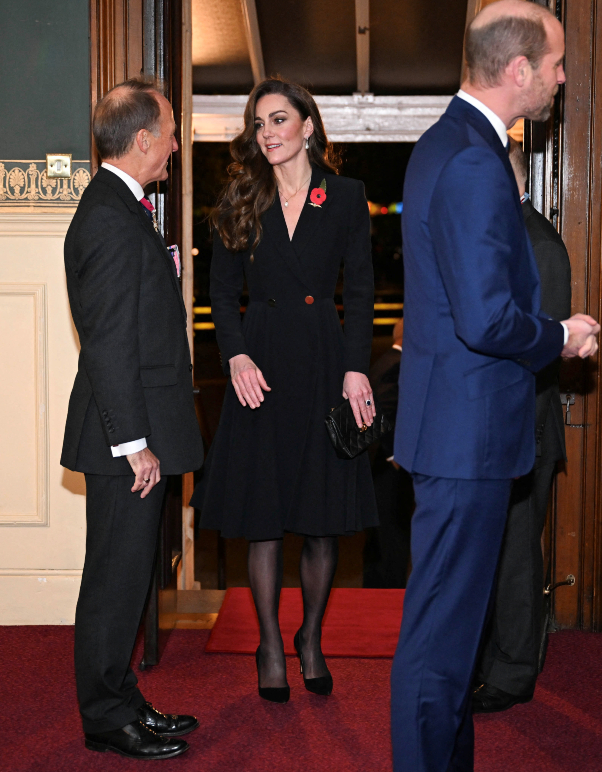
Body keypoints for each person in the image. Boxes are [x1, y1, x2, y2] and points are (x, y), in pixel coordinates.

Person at [390, 3, 600, 771]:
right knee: (442, 642)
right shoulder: (477, 160)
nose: (560, 77)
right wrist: (561, 337)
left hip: (452, 430)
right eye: (555, 64)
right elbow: (485, 320)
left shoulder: (445, 143)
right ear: (518, 71)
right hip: (467, 439)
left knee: (450, 631)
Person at [190, 78, 378, 703]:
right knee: (265, 519)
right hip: (261, 370)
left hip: (325, 362)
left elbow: (358, 292)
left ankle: (311, 637)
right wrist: (236, 353)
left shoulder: (345, 196)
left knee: (322, 522)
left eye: (278, 119)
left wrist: (356, 367)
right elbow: (219, 292)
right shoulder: (242, 194)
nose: (267, 133)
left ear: (307, 125)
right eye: (258, 123)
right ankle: (270, 644)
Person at [61, 79, 204, 760]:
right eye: (171, 132)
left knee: (126, 573)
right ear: (143, 138)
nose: (176, 144)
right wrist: (135, 444)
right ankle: (104, 716)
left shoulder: (120, 207)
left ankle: (119, 697)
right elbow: (111, 341)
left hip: (132, 428)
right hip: (125, 437)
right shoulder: (111, 219)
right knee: (115, 579)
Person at [472, 139, 571, 713]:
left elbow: (541, 352)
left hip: (525, 428)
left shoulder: (540, 244)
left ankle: (514, 674)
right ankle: (492, 663)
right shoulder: (500, 238)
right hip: (493, 429)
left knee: (515, 555)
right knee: (495, 552)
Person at [363, 319, 414, 589]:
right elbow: (387, 410)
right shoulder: (396, 365)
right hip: (388, 463)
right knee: (392, 535)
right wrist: (396, 455)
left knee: (381, 536)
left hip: (379, 462)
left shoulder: (386, 360)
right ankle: (388, 593)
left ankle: (377, 589)